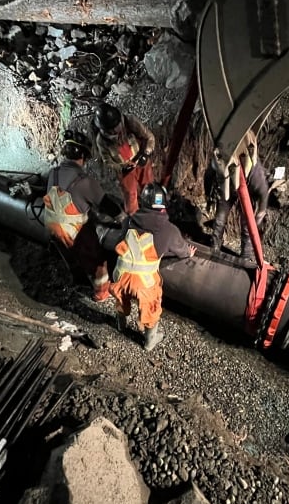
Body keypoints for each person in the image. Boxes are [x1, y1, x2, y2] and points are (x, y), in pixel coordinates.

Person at [108, 183, 196, 351]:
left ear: (144, 203)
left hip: (120, 273)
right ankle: (149, 341)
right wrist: (188, 253)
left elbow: (119, 241)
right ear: (164, 207)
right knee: (151, 306)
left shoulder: (128, 220)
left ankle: (121, 325)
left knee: (121, 298)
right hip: (144, 282)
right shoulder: (169, 230)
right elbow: (182, 251)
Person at [40, 130, 121, 302]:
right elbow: (106, 204)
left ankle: (78, 279)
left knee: (70, 256)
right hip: (72, 232)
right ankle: (101, 293)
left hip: (52, 227)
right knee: (99, 263)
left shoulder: (53, 173)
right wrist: (123, 217)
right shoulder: (84, 181)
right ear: (83, 155)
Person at [210, 129, 269, 260]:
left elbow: (263, 191)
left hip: (246, 191)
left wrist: (261, 211)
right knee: (220, 220)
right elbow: (209, 176)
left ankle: (246, 255)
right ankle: (214, 246)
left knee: (247, 225)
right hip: (228, 188)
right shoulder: (219, 160)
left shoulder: (255, 173)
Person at [93, 102, 156, 215]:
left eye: (117, 127)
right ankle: (134, 221)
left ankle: (155, 212)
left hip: (141, 160)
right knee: (130, 196)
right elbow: (107, 160)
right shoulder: (101, 140)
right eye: (112, 130)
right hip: (125, 169)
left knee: (149, 187)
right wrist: (120, 168)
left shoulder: (130, 121)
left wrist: (146, 153)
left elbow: (149, 137)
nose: (116, 131)